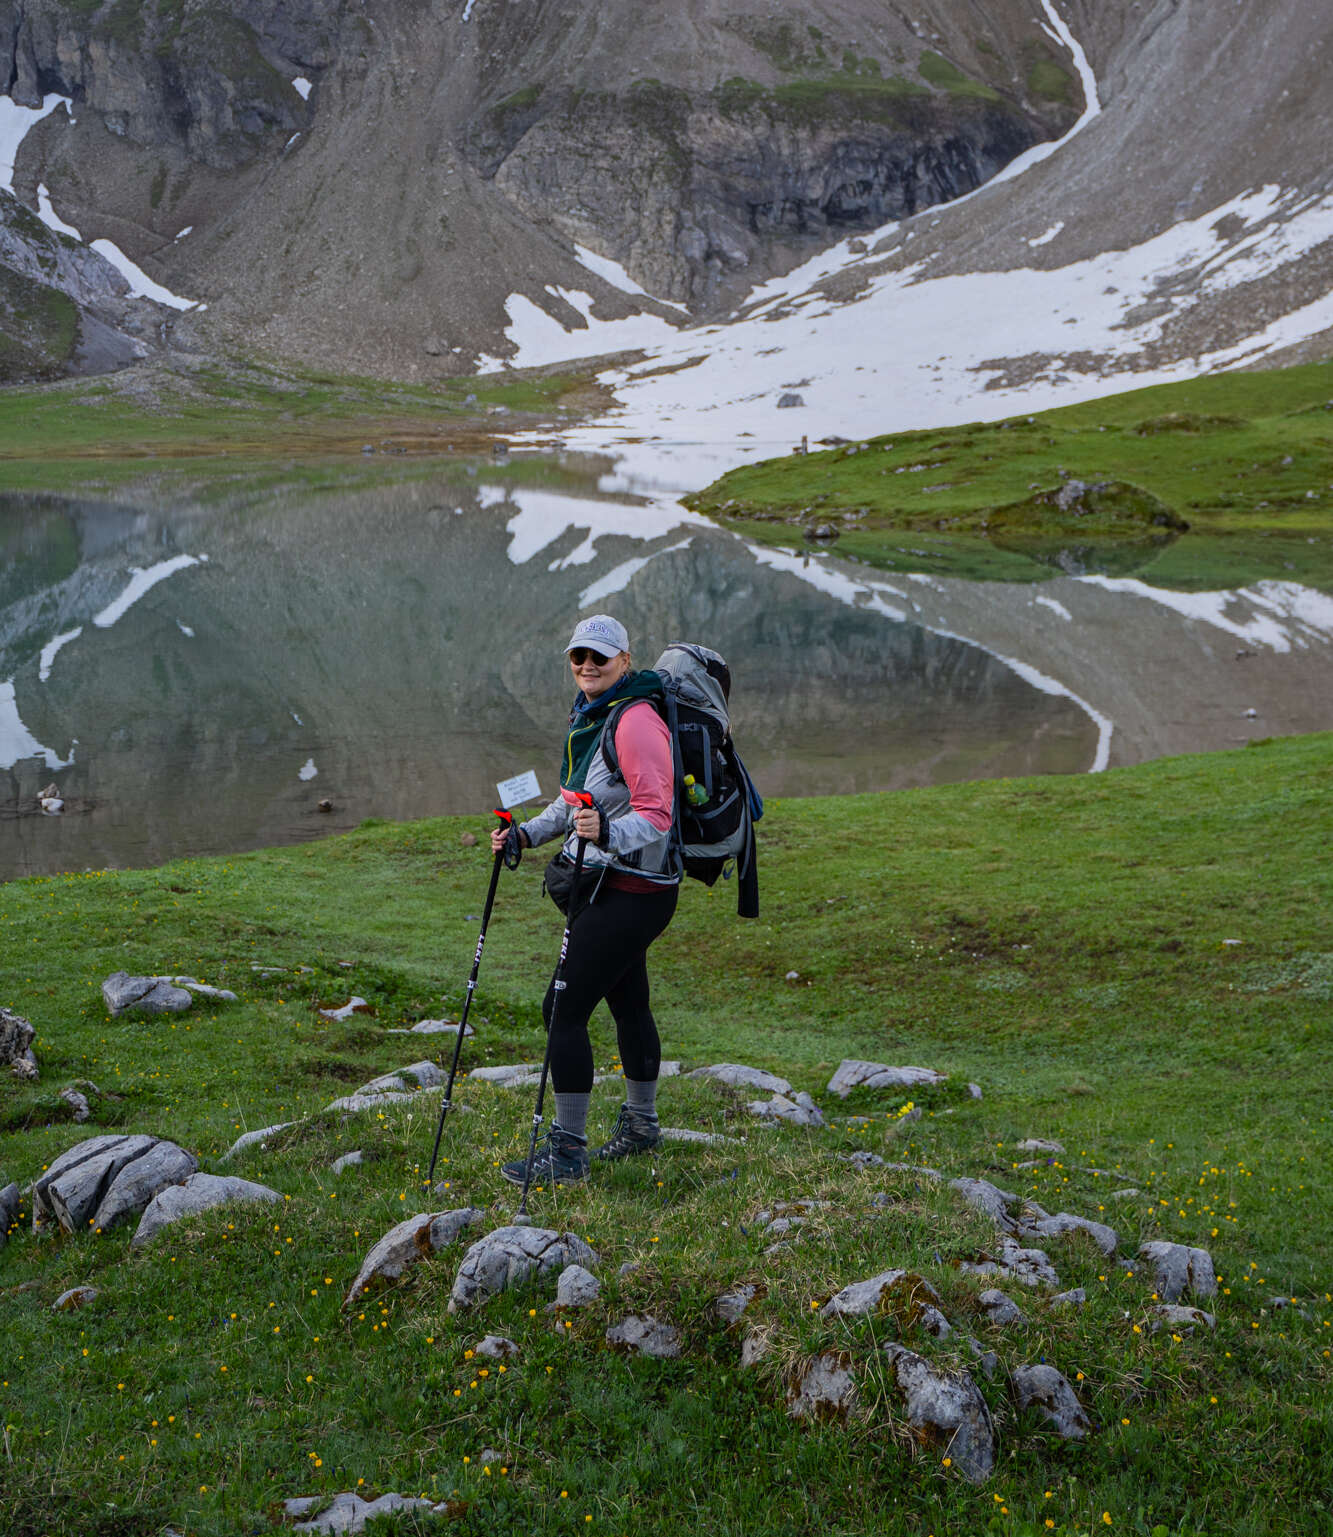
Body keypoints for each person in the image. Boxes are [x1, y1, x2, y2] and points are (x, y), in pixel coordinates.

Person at [490, 613, 679, 1185]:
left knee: (561, 1010)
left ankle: (568, 1153)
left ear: (626, 660)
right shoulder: (593, 715)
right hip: (618, 886)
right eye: (579, 657)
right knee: (628, 1002)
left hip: (632, 889)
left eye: (600, 657)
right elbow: (574, 802)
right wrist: (523, 834)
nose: (588, 666)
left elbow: (658, 814)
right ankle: (642, 1128)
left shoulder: (636, 723)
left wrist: (607, 835)